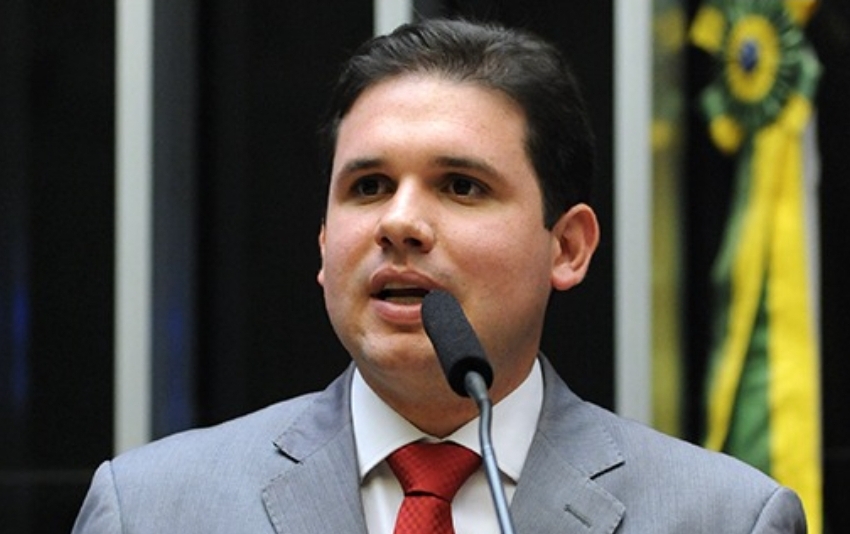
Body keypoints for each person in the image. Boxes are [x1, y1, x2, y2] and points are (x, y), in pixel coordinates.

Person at [72, 18, 806, 533]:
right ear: (324, 245)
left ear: (568, 247)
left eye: (460, 186)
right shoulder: (150, 509)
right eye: (368, 187)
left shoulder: (723, 517)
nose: (399, 223)